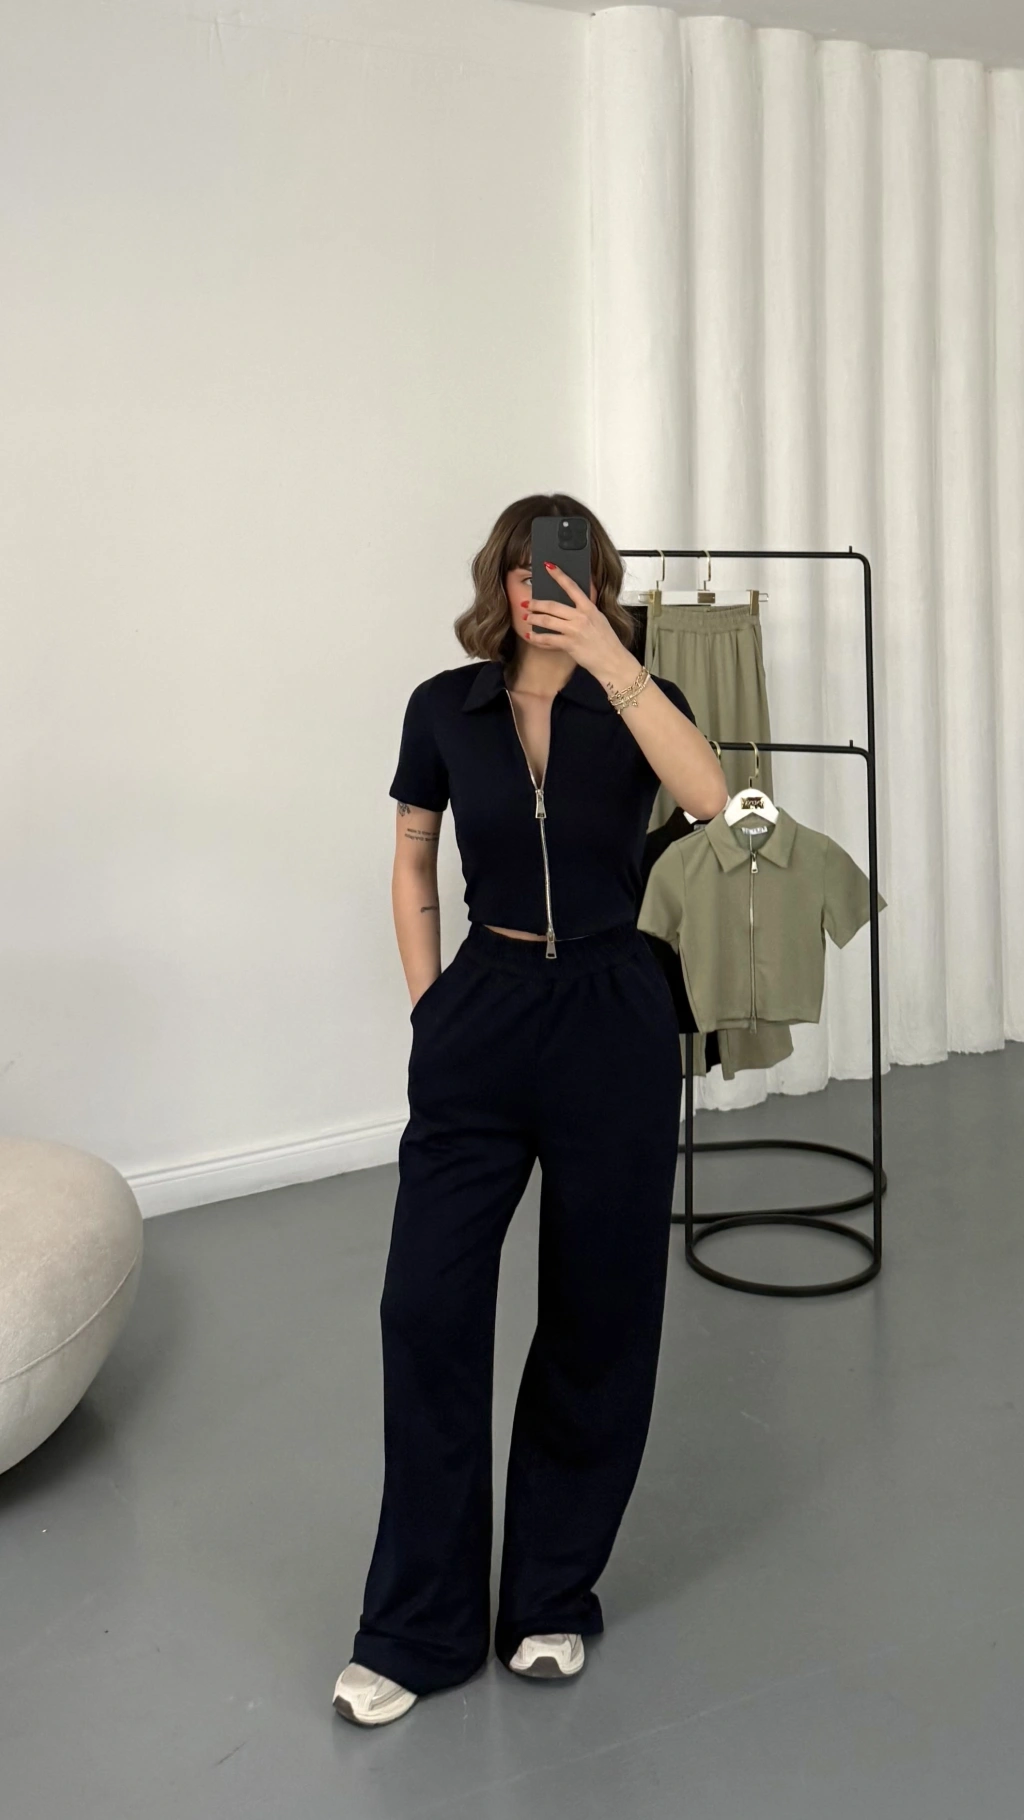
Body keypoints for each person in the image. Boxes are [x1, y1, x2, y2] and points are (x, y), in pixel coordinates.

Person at [333, 493, 728, 1726]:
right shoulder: (442, 708)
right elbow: (411, 855)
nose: (540, 586)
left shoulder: (637, 701)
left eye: (566, 569)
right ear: (497, 580)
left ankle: (549, 1592)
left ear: (596, 583)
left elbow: (714, 801)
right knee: (426, 1306)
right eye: (522, 567)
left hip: (612, 1013)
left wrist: (612, 660)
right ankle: (418, 1623)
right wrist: (429, 1009)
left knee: (599, 1311)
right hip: (483, 1012)